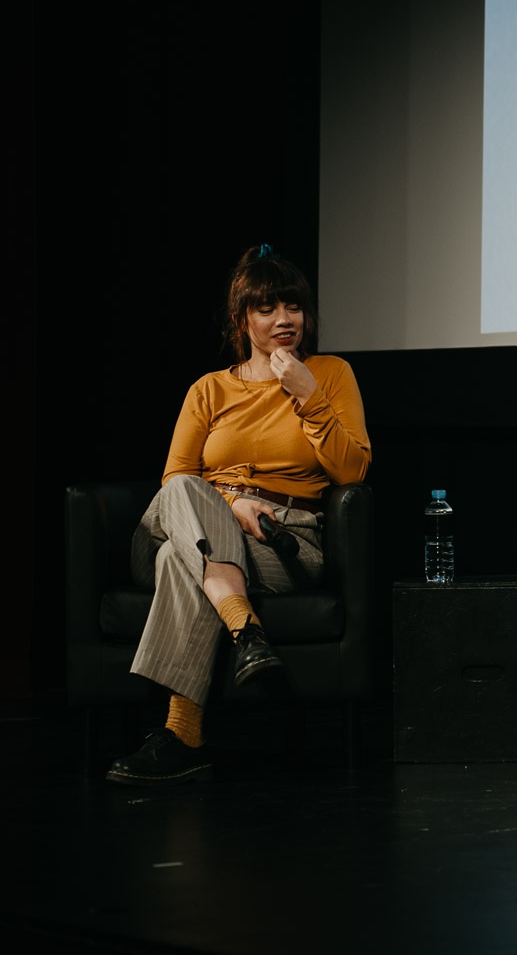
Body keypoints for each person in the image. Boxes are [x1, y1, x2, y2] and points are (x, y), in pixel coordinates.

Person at [105, 245, 372, 786]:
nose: (283, 320)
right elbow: (174, 480)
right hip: (198, 518)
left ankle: (182, 734)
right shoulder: (209, 389)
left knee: (179, 565)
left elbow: (352, 473)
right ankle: (243, 629)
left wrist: (309, 398)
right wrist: (232, 503)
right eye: (268, 309)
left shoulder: (330, 374)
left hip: (284, 544)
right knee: (185, 490)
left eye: (293, 307)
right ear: (241, 320)